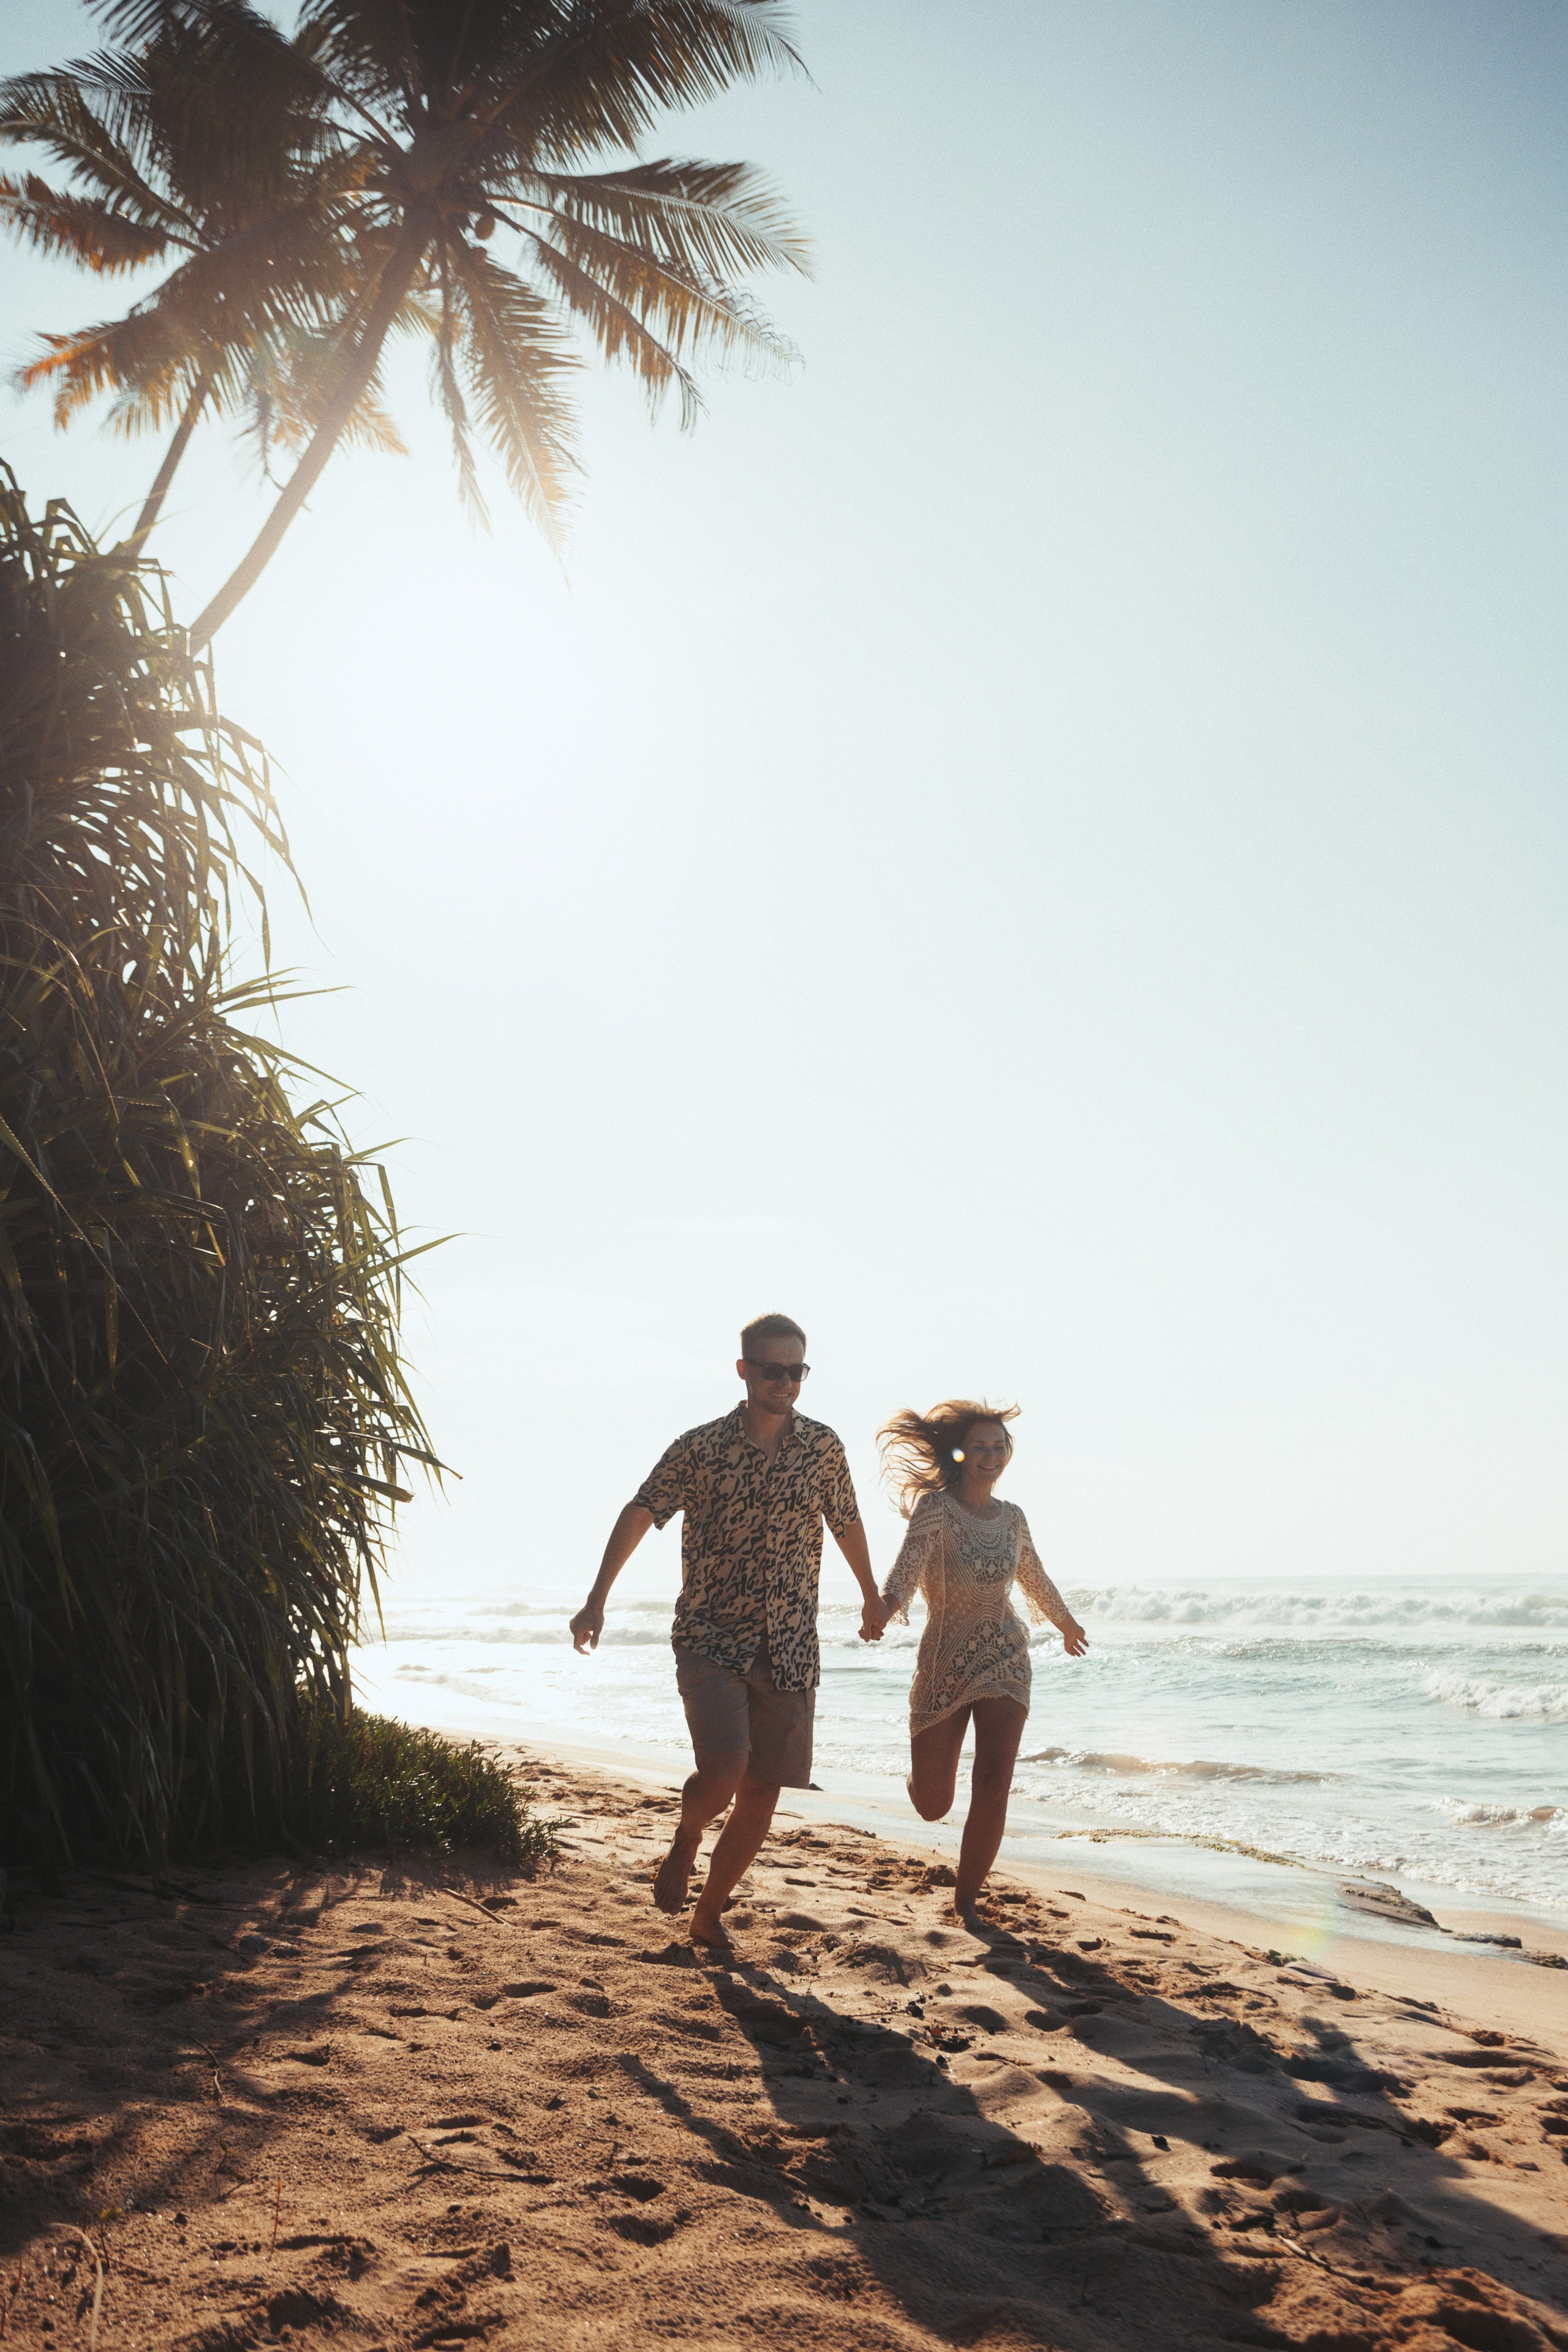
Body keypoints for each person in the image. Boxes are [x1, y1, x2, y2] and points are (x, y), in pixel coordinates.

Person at [570, 1313, 885, 1954]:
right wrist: (595, 1598)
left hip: (790, 1642)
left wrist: (871, 1593)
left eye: (796, 1370)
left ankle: (707, 1914)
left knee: (763, 1792)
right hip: (710, 1635)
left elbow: (845, 1520)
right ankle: (687, 1836)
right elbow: (641, 1512)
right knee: (723, 1770)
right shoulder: (700, 1447)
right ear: (744, 1371)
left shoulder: (823, 1448)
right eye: (772, 1370)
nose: (785, 1382)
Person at [879, 1400, 1087, 1918]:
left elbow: (1033, 1576)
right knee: (933, 1804)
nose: (990, 1456)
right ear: (960, 1454)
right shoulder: (936, 1509)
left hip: (1006, 1657)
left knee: (994, 1783)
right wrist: (882, 1610)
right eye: (980, 1447)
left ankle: (967, 1903)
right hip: (945, 1662)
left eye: (999, 1447)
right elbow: (906, 1571)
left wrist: (1066, 1624)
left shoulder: (1013, 1518)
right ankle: (917, 1779)